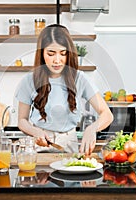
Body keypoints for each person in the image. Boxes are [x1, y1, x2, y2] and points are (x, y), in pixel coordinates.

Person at [15, 24, 113, 155]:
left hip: (69, 147)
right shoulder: (29, 80)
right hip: (39, 147)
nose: (57, 60)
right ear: (42, 53)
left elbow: (107, 114)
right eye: (51, 53)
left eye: (63, 53)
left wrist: (92, 128)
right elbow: (22, 120)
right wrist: (36, 132)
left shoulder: (80, 78)